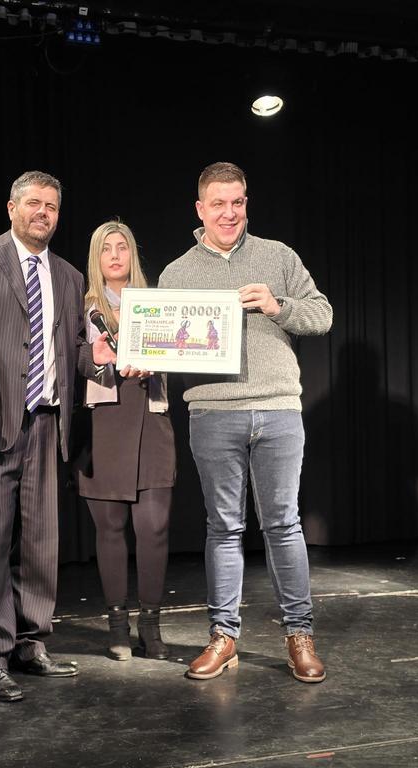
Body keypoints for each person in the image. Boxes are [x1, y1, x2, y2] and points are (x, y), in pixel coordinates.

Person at [158, 162, 333, 684]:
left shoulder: (277, 256)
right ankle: (224, 636)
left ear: (246, 203)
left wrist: (278, 306)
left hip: (279, 408)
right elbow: (163, 346)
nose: (229, 213)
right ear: (200, 209)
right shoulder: (177, 272)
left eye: (237, 202)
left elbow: (322, 314)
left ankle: (299, 635)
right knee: (224, 527)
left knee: (284, 524)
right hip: (213, 412)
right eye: (218, 204)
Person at [0, 171, 114, 702]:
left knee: (42, 541)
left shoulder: (65, 274)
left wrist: (103, 360)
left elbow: (76, 348)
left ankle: (32, 642)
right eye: (34, 203)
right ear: (11, 207)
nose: (44, 213)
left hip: (49, 420)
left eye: (53, 206)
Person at [79, 221, 175, 661]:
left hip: (153, 425)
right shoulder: (81, 306)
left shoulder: (158, 303)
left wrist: (163, 359)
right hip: (104, 427)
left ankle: (151, 626)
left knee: (153, 528)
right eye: (106, 249)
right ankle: (118, 626)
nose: (116, 255)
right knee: (111, 529)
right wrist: (104, 366)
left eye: (123, 247)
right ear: (96, 259)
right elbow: (72, 359)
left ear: (134, 255)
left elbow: (187, 350)